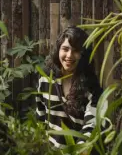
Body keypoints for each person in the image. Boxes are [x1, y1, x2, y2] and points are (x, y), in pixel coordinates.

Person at [36, 26, 103, 154]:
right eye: (65, 49)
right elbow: (40, 116)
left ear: (83, 55)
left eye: (76, 51)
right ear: (58, 50)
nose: (69, 56)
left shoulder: (91, 86)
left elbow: (91, 127)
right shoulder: (45, 78)